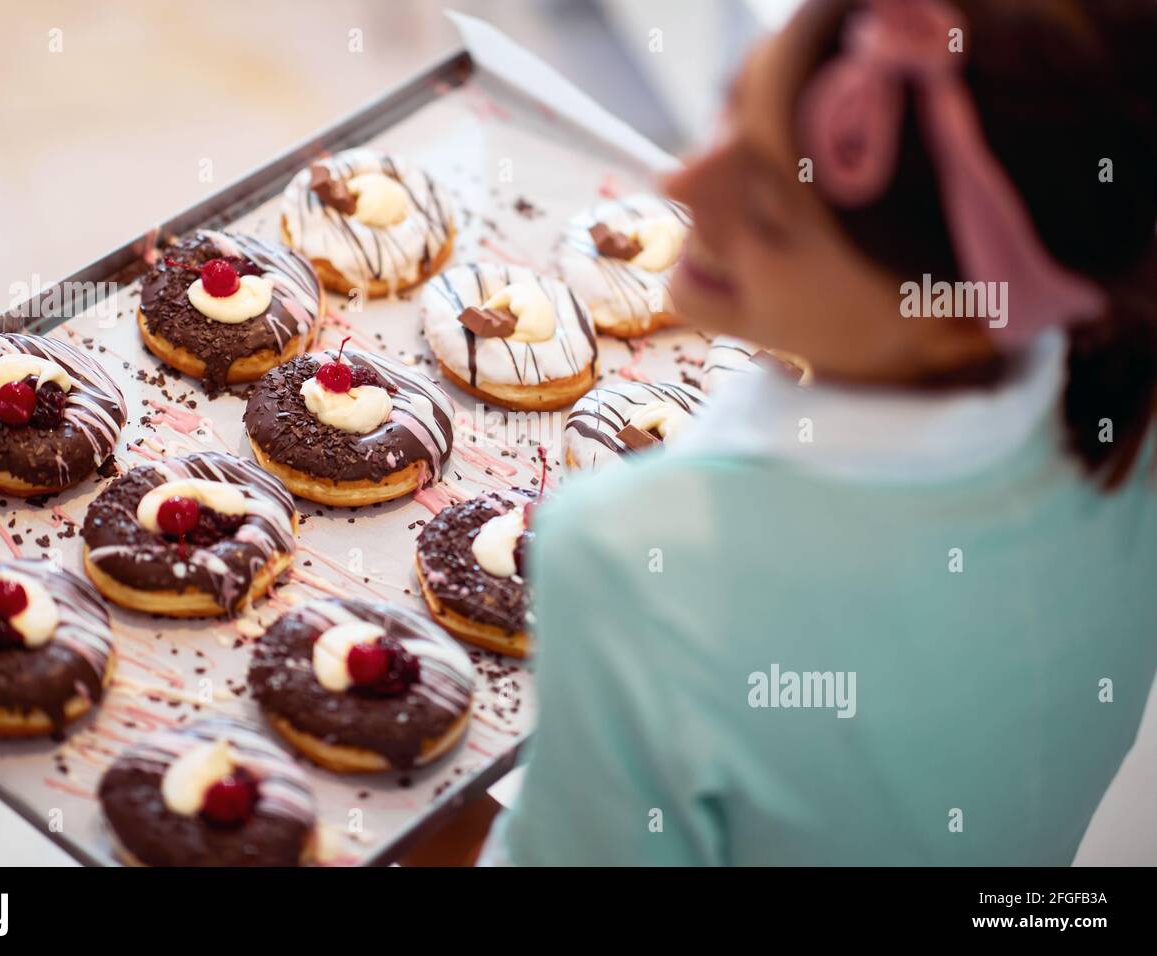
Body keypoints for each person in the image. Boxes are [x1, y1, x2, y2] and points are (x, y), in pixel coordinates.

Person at [485, 0, 1157, 865]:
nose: (684, 183)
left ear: (956, 317)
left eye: (768, 208)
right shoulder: (1123, 398)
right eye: (734, 103)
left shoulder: (634, 556)